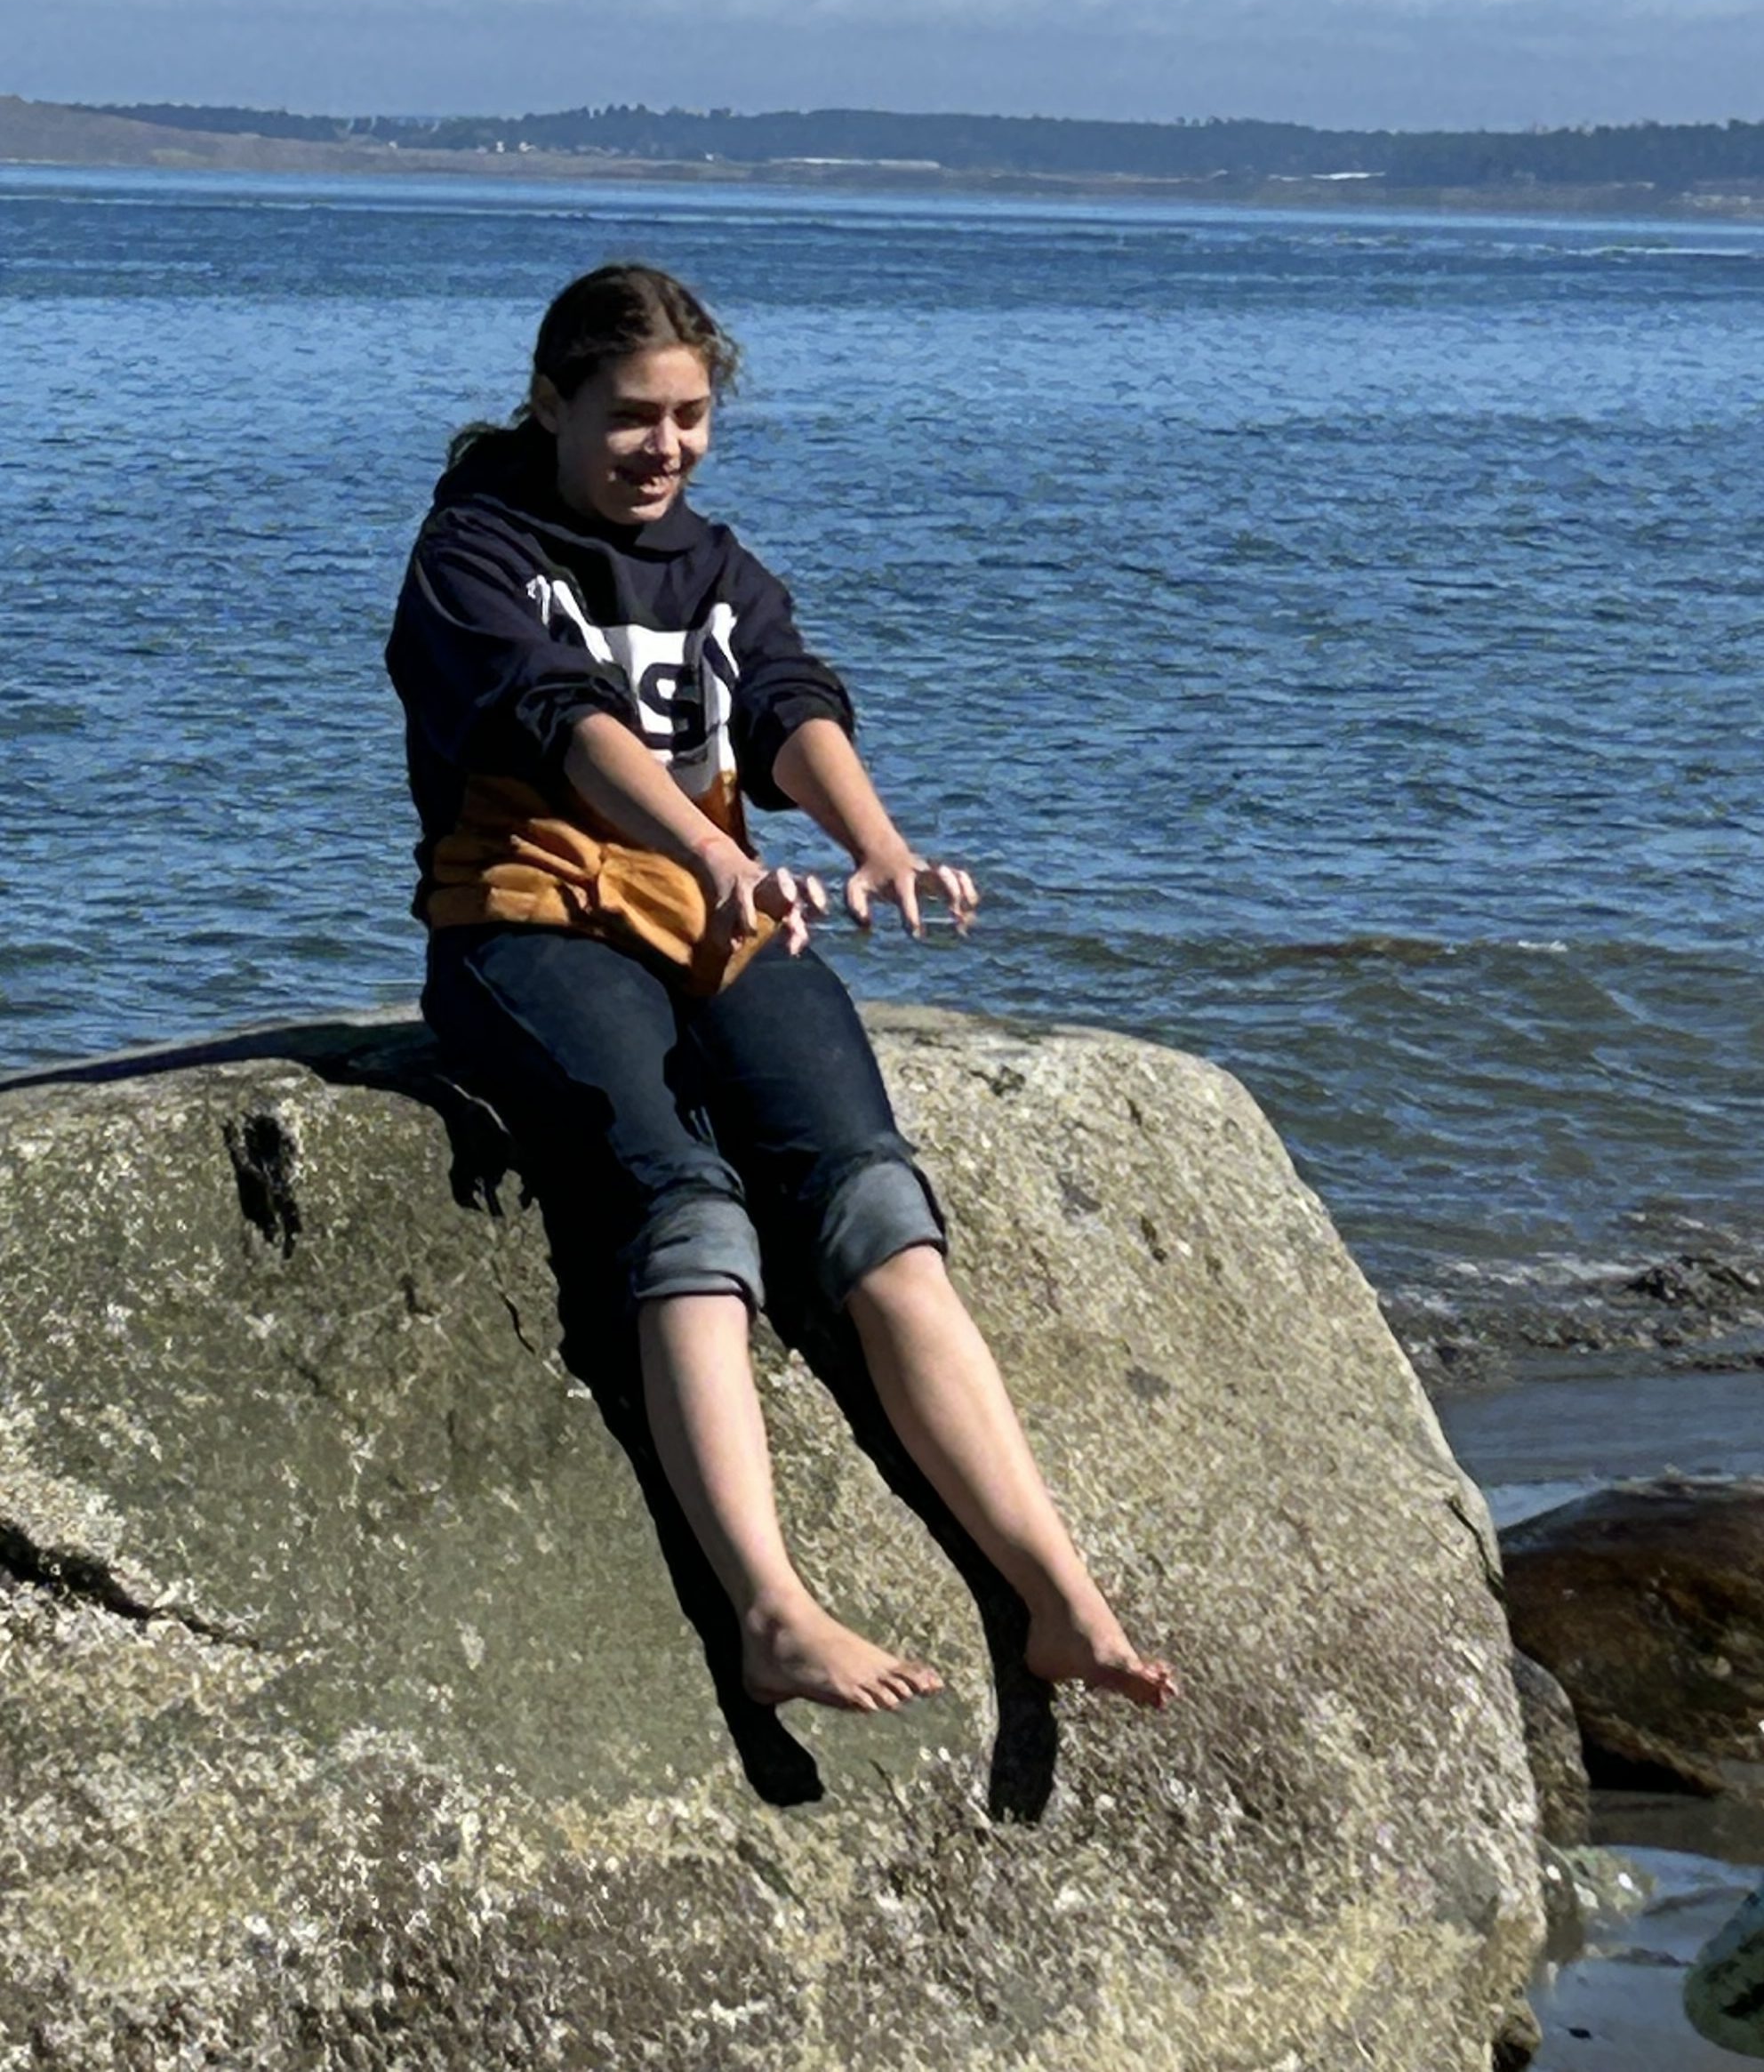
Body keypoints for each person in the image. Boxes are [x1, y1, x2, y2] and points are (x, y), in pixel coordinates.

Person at [386, 261, 1175, 1718]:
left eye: (690, 417)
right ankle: (775, 1610)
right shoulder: (474, 555)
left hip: (715, 912)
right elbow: (567, 723)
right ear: (553, 403)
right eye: (632, 416)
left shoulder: (717, 566)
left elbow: (785, 701)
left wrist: (878, 845)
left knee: (876, 1205)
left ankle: (1061, 1595)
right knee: (688, 1204)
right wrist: (710, 848)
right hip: (531, 921)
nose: (665, 447)